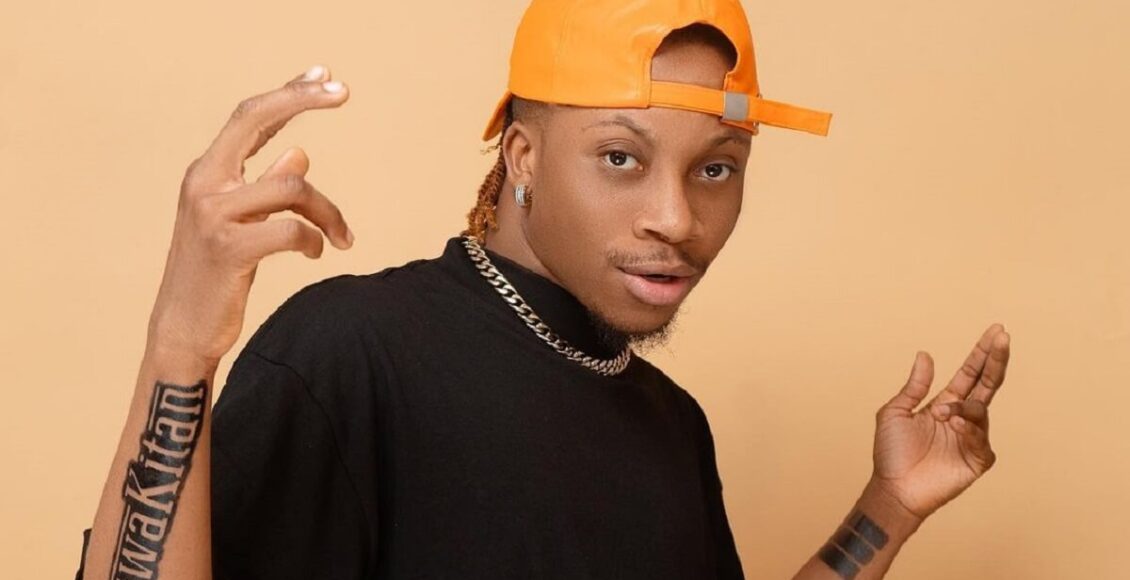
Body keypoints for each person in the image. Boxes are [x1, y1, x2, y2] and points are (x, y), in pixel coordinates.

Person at [77, 1, 1012, 578]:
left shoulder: (669, 425)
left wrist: (888, 509)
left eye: (717, 169)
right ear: (522, 157)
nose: (677, 218)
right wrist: (178, 349)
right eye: (621, 158)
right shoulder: (357, 353)